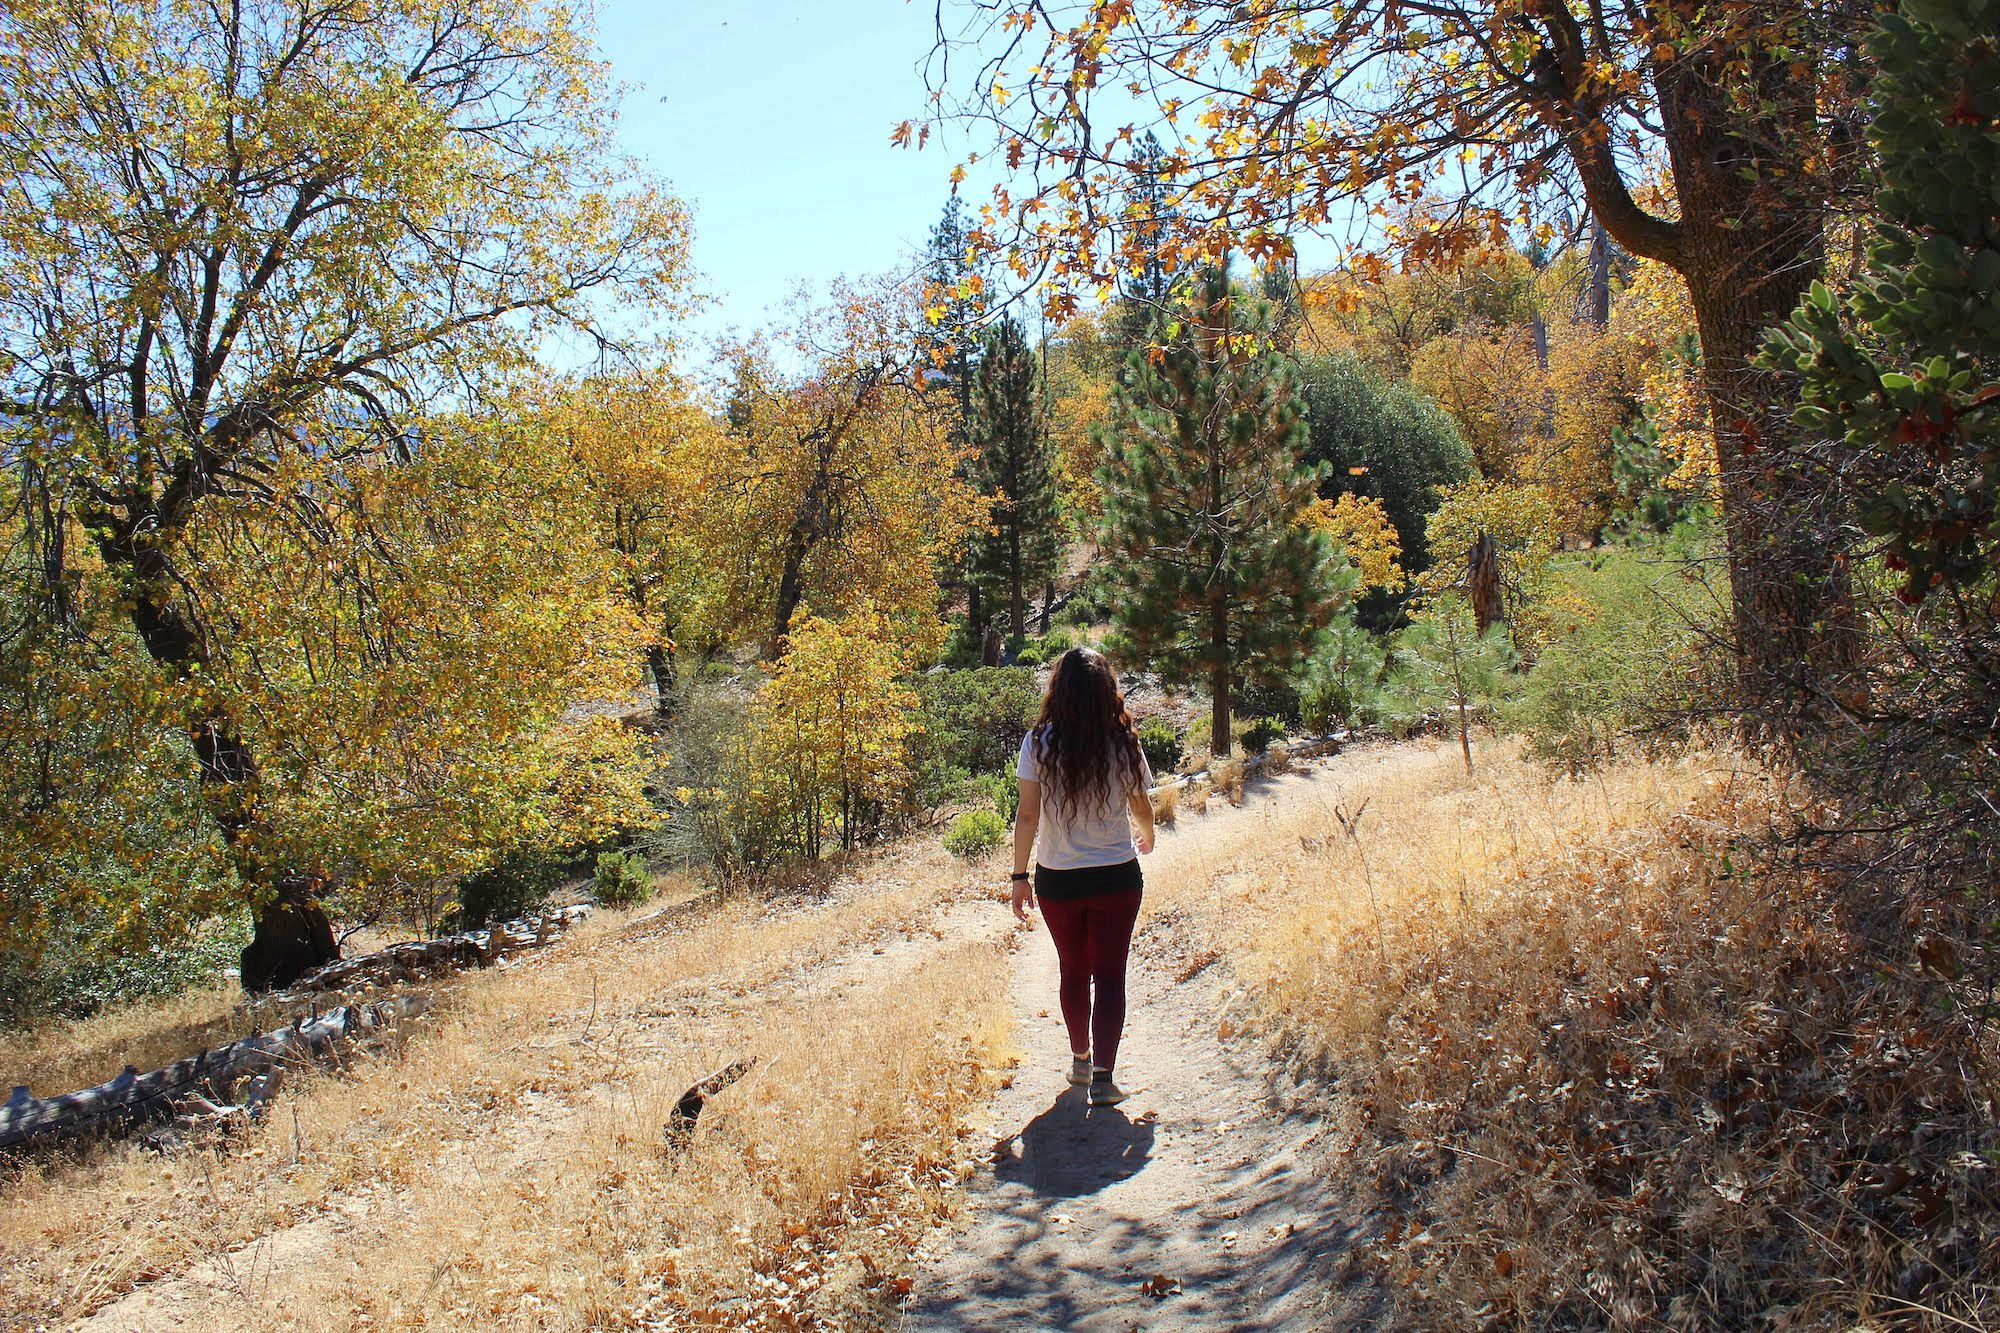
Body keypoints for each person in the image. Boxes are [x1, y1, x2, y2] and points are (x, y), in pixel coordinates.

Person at [1010, 647, 1156, 1107]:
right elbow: (1140, 804)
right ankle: (1105, 1078)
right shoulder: (1124, 741)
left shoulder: (1038, 743)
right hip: (1116, 876)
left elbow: (1027, 817)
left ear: (1059, 690)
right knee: (1111, 976)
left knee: (1074, 971)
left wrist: (1018, 876)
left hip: (1060, 880)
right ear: (1105, 690)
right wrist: (1147, 835)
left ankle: (1079, 1059)